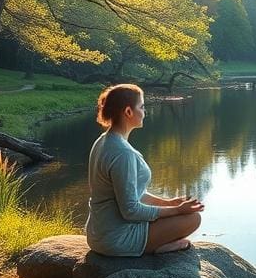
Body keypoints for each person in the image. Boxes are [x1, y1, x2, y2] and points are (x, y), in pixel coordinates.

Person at [86, 84, 203, 256]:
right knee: (193, 219)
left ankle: (155, 244)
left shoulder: (104, 140)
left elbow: (135, 194)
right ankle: (154, 248)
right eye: (141, 107)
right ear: (128, 112)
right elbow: (131, 211)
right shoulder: (122, 153)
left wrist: (169, 202)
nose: (145, 111)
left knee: (182, 214)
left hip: (98, 234)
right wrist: (177, 210)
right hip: (116, 239)